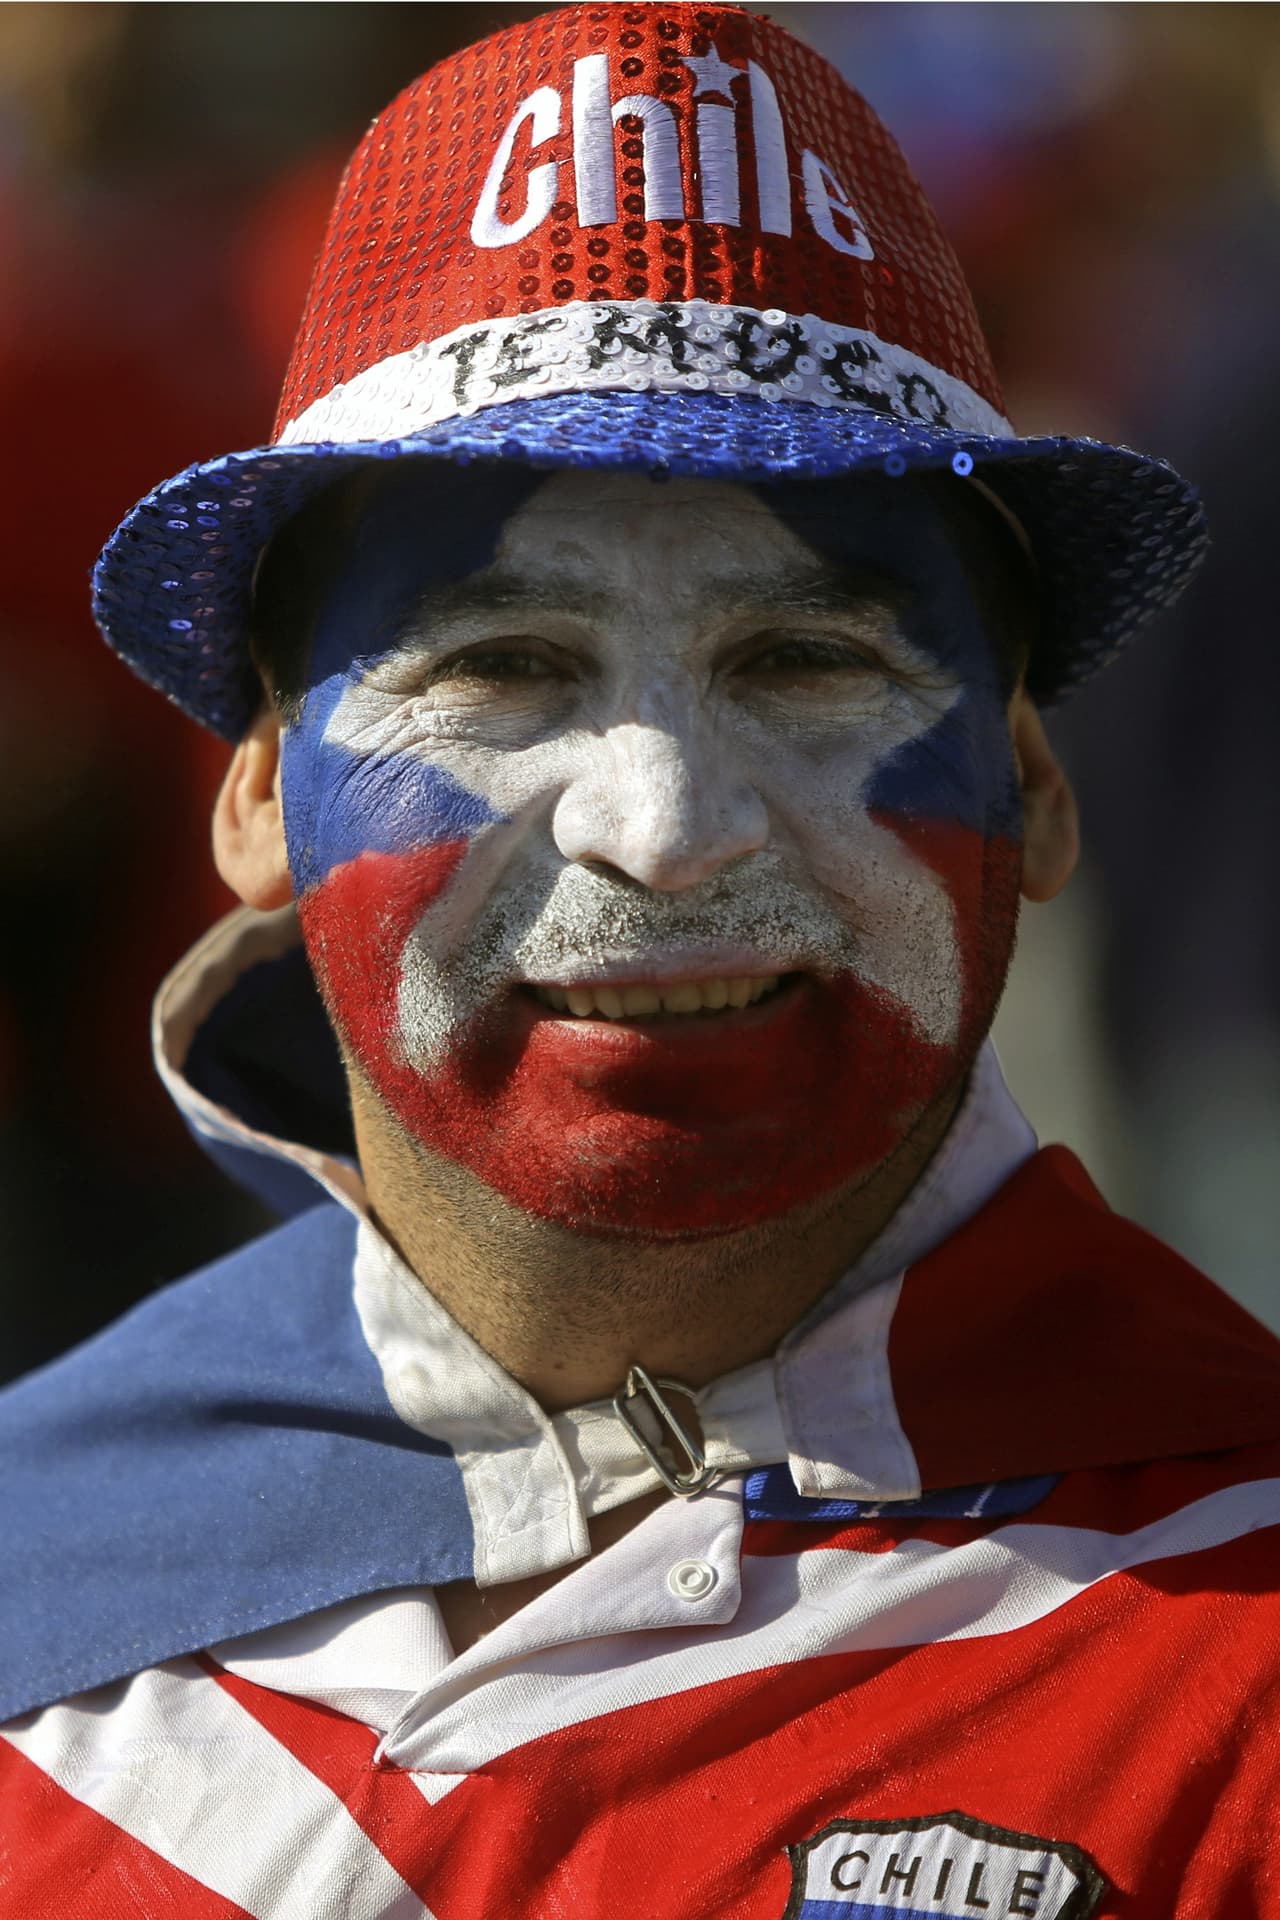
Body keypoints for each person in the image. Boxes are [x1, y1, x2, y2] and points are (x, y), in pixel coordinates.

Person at [4, 6, 1279, 1916]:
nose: (664, 828)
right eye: (503, 672)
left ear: (1030, 785)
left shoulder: (1240, 1623)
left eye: (807, 667)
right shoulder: (40, 1559)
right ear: (259, 799)